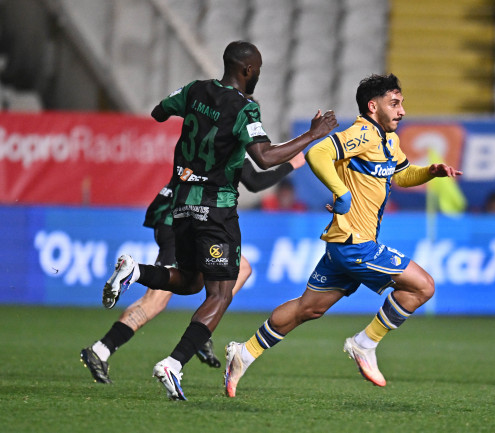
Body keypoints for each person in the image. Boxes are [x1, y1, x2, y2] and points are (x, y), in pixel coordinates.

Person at [99, 40, 338, 400]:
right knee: (221, 293)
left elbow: (158, 112)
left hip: (181, 204)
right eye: (257, 70)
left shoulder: (194, 90)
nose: (258, 75)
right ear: (247, 70)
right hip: (216, 208)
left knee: (191, 282)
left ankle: (136, 271)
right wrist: (312, 134)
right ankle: (173, 364)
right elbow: (265, 158)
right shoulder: (244, 109)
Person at [223, 73, 462, 397]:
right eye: (394, 103)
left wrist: (429, 172)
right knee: (423, 286)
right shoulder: (362, 134)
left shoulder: (388, 140)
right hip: (355, 245)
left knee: (308, 308)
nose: (402, 110)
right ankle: (365, 343)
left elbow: (402, 175)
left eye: (402, 103)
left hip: (344, 243)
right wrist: (341, 191)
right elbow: (318, 153)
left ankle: (245, 352)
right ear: (373, 106)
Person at [80, 152, 306, 384]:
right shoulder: (234, 137)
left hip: (183, 214)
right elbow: (255, 179)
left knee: (241, 268)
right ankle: (101, 349)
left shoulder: (205, 133)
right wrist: (292, 163)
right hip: (183, 219)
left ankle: (202, 326)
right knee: (156, 300)